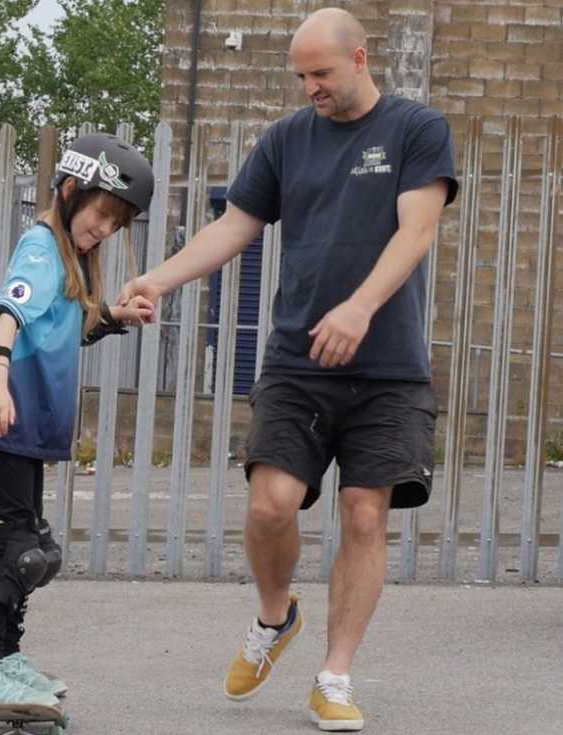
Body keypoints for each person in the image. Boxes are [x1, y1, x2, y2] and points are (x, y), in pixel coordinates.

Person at [119, 8, 457, 731]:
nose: (309, 87)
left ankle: (333, 675)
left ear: (359, 59)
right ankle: (276, 616)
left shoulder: (414, 129)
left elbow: (416, 229)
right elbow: (233, 225)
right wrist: (158, 279)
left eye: (321, 74)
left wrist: (361, 307)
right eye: (300, 75)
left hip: (388, 368)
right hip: (298, 361)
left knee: (364, 514)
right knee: (270, 502)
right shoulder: (284, 140)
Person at [0, 133, 156, 710]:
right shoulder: (41, 248)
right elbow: (6, 315)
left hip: (25, 428)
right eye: (101, 214)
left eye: (117, 223)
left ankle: (5, 657)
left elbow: (64, 332)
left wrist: (113, 316)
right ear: (70, 191)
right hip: (2, 420)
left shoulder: (72, 261)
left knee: (35, 550)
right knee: (16, 548)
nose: (105, 229)